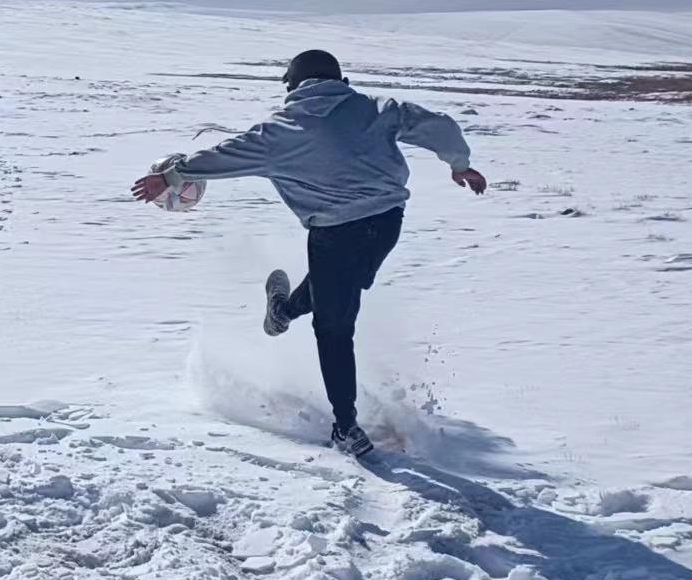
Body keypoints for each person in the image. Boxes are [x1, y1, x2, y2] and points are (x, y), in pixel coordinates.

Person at [130, 49, 486, 457]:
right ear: (339, 80)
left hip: (334, 232)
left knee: (334, 326)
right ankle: (284, 314)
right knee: (340, 296)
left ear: (292, 85)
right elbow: (437, 124)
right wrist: (459, 164)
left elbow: (226, 155)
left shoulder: (281, 130)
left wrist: (171, 176)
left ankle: (344, 426)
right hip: (386, 224)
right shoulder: (374, 108)